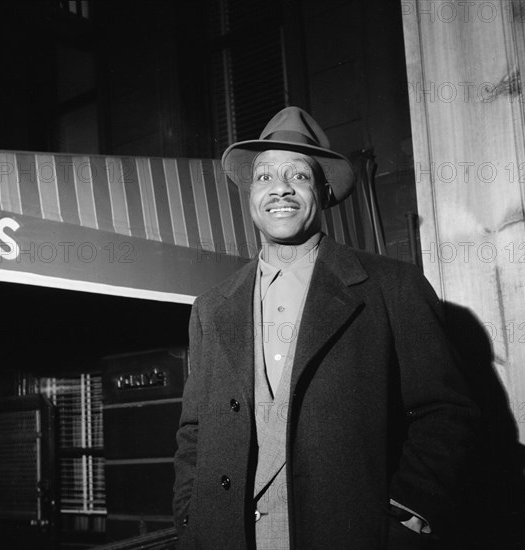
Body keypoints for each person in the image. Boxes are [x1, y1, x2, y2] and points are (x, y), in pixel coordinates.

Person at [173, 107, 478, 550]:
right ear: (249, 195)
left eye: (298, 176)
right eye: (264, 177)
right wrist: (190, 517)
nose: (279, 188)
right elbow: (194, 430)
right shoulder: (210, 308)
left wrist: (405, 513)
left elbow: (445, 412)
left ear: (324, 189)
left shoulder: (392, 287)